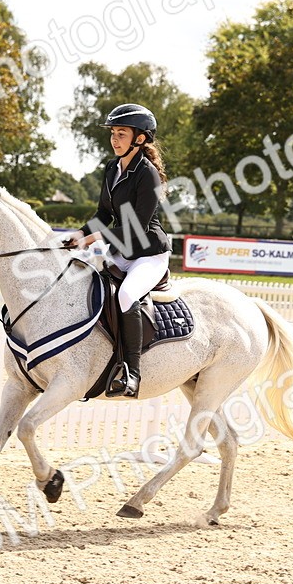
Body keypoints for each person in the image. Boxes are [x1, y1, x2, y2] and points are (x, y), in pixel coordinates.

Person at [64, 103, 171, 398]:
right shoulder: (112, 168)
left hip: (148, 254)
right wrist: (78, 235)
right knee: (79, 277)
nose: (114, 139)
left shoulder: (147, 174)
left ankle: (132, 372)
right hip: (120, 251)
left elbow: (137, 225)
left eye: (121, 133)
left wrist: (94, 238)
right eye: (113, 133)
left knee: (125, 295)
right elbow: (103, 214)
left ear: (140, 138)